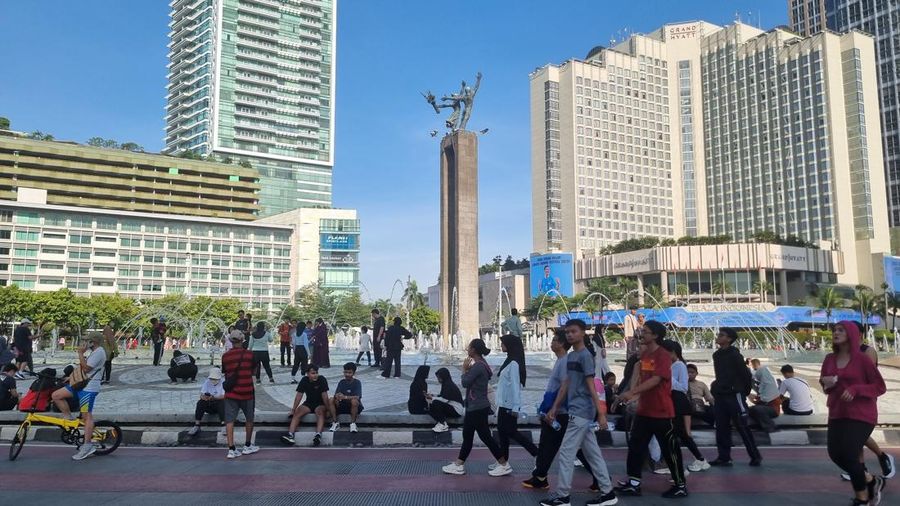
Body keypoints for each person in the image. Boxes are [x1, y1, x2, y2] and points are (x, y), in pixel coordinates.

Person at [541, 319, 616, 506]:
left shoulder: (585, 356)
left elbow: (592, 386)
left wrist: (601, 413)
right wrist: (555, 407)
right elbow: (566, 383)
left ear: (583, 332)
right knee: (593, 454)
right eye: (567, 332)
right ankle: (608, 493)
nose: (569, 335)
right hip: (576, 409)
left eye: (573, 331)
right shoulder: (572, 357)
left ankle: (563, 496)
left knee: (566, 453)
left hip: (582, 411)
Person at [615, 322, 687, 499]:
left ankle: (680, 485)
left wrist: (632, 392)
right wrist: (631, 396)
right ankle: (634, 483)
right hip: (644, 411)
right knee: (636, 447)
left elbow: (656, 380)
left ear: (655, 335)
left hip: (662, 412)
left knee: (670, 449)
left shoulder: (662, 355)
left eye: (645, 332)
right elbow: (642, 379)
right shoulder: (646, 354)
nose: (641, 334)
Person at [820, 321, 887, 505]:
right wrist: (826, 383)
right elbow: (824, 385)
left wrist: (857, 389)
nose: (836, 332)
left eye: (841, 330)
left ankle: (862, 499)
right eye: (835, 330)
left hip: (861, 414)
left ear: (851, 333)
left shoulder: (863, 359)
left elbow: (879, 386)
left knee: (849, 454)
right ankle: (871, 480)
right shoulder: (829, 359)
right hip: (837, 411)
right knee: (835, 454)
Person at [524, 329, 596, 491]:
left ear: (562, 344)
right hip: (556, 411)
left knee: (557, 446)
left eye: (555, 340)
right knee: (553, 445)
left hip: (560, 413)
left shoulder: (564, 362)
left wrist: (554, 409)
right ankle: (540, 476)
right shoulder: (560, 360)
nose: (552, 343)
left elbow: (566, 386)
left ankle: (542, 478)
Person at [442, 338, 508, 476]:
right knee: (471, 436)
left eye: (469, 347)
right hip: (477, 406)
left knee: (481, 437)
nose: (467, 349)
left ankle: (503, 464)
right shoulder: (480, 364)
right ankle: (459, 464)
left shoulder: (478, 366)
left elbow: (465, 382)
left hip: (477, 407)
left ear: (474, 350)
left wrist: (464, 370)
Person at [709, 327, 761, 467]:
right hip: (721, 395)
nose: (718, 337)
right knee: (721, 427)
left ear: (729, 339)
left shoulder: (735, 355)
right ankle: (724, 457)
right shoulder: (717, 355)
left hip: (734, 395)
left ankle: (755, 456)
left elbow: (745, 374)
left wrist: (742, 391)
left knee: (742, 426)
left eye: (722, 335)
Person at [51, 332, 106, 460]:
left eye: (87, 341)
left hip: (89, 388)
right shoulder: (94, 351)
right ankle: (69, 417)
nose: (85, 343)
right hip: (80, 385)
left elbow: (86, 369)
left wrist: (80, 353)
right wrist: (71, 377)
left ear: (94, 342)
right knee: (56, 395)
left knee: (87, 416)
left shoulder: (99, 352)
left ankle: (87, 446)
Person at [662, 340, 709, 473]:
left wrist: (668, 377)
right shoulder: (671, 365)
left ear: (672, 352)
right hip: (671, 400)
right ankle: (696, 460)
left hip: (678, 401)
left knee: (678, 433)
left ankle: (694, 461)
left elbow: (683, 386)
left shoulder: (680, 366)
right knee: (677, 433)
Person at [495, 334, 538, 475]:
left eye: (503, 343)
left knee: (511, 432)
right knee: (503, 433)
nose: (501, 345)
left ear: (510, 345)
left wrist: (515, 406)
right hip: (504, 404)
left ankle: (536, 454)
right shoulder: (509, 360)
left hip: (508, 406)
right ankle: (504, 462)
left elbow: (515, 385)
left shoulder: (513, 363)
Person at [221, 330, 259, 459]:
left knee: (229, 420)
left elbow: (225, 371)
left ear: (231, 341)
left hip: (231, 393)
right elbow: (254, 371)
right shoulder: (249, 354)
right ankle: (247, 445)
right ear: (243, 340)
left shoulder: (225, 356)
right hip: (247, 391)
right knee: (249, 419)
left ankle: (231, 449)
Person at [282, 364, 332, 447]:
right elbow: (299, 395)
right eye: (313, 373)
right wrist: (293, 409)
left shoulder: (322, 379)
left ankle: (318, 435)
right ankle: (290, 435)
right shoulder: (304, 380)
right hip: (309, 403)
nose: (315, 375)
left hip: (320, 403)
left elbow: (325, 396)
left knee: (319, 412)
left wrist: (328, 410)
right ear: (307, 374)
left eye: (316, 373)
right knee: (298, 412)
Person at [188, 367, 226, 436]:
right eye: (212, 379)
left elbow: (224, 396)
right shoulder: (207, 382)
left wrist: (214, 397)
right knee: (200, 403)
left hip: (219, 404)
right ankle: (197, 425)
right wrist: (205, 397)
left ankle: (223, 425)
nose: (213, 380)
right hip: (209, 403)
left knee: (222, 402)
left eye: (215, 379)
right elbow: (202, 394)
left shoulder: (223, 382)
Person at [748, 358, 782, 433]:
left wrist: (753, 400)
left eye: (759, 377)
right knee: (750, 410)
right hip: (766, 407)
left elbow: (764, 401)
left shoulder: (770, 385)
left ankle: (771, 427)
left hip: (773, 410)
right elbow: (762, 397)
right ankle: (760, 425)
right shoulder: (766, 384)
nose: (758, 379)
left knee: (757, 409)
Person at [426, 367, 463, 433]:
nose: (438, 380)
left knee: (435, 403)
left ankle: (443, 424)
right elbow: (442, 395)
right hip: (451, 406)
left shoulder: (449, 385)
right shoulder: (446, 384)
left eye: (439, 378)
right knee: (431, 407)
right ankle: (441, 422)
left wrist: (432, 398)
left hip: (456, 410)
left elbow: (444, 400)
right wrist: (433, 395)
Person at [331, 362, 363, 433]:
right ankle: (335, 422)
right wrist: (338, 395)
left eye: (349, 372)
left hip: (354, 406)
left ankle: (352, 423)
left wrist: (345, 397)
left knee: (354, 401)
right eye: (345, 372)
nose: (347, 374)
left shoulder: (357, 382)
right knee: (331, 399)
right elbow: (336, 394)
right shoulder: (341, 382)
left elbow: (358, 397)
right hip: (342, 405)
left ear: (354, 373)